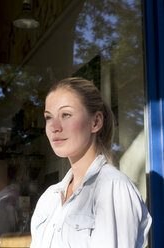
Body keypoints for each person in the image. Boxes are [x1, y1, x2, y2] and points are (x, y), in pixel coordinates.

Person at [30, 77, 152, 248]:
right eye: (49, 117)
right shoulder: (49, 198)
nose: (54, 127)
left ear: (95, 122)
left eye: (66, 114)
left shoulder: (112, 187)